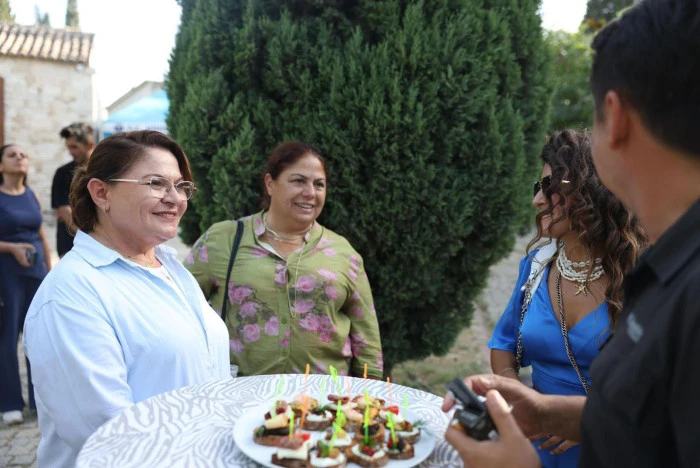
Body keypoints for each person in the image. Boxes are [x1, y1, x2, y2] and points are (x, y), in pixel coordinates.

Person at [443, 0, 700, 466]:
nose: (538, 201)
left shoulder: (676, 282)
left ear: (615, 117)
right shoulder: (671, 268)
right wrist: (550, 413)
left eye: (550, 187)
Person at [23, 131, 229, 467]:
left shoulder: (170, 267)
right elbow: (108, 435)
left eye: (181, 186)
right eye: (156, 183)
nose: (175, 198)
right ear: (101, 192)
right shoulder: (71, 294)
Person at [488, 129, 645, 467]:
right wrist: (523, 400)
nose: (537, 200)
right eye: (538, 187)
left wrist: (588, 420)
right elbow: (503, 344)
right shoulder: (536, 266)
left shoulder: (641, 278)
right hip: (534, 444)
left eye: (550, 187)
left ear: (592, 191)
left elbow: (661, 384)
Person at [185, 141, 383, 378]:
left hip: (324, 396)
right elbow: (180, 311)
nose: (310, 193)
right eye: (299, 181)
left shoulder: (342, 252)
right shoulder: (223, 240)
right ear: (270, 184)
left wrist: (367, 392)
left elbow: (367, 340)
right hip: (242, 394)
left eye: (319, 184)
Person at [0, 144, 51, 425]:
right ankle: (10, 403)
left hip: (36, 272)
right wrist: (11, 248)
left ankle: (39, 399)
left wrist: (50, 270)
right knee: (8, 337)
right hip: (6, 273)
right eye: (12, 155)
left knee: (39, 335)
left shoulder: (32, 195)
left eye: (23, 155)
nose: (20, 158)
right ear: (1, 165)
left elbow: (42, 235)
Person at [52, 122, 95, 257]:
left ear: (90, 145)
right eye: (68, 147)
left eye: (74, 147)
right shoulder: (63, 173)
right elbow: (65, 212)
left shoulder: (103, 171)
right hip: (71, 246)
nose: (71, 152)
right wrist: (94, 240)